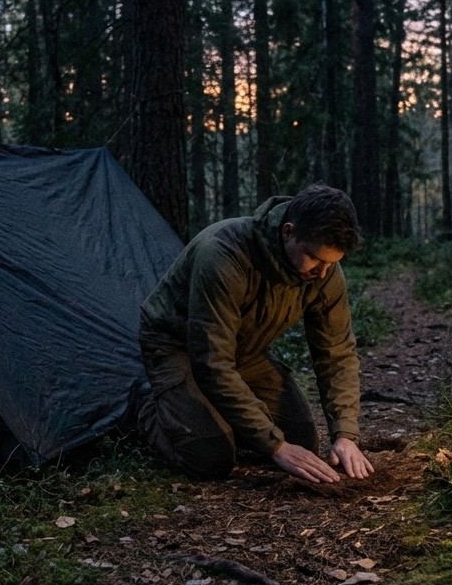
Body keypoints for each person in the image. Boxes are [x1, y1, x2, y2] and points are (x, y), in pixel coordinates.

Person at [136, 183, 374, 483]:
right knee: (210, 458)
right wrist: (275, 446)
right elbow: (212, 362)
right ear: (288, 232)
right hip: (176, 347)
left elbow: (336, 353)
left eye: (332, 263)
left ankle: (213, 415)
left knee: (302, 441)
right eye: (315, 258)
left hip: (244, 350)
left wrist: (345, 434)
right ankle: (145, 405)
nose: (323, 273)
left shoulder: (322, 270)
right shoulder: (223, 254)